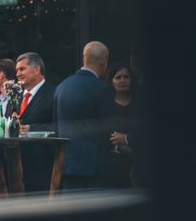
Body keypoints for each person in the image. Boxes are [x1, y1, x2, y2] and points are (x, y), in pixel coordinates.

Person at [53, 41, 117, 190]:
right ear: (103, 62)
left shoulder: (61, 87)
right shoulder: (102, 89)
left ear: (84, 59)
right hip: (95, 165)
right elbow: (110, 127)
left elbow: (56, 125)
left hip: (67, 163)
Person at [14, 52, 56, 192]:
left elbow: (59, 127)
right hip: (16, 169)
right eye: (17, 70)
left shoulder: (53, 94)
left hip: (43, 169)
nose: (18, 74)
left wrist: (32, 129)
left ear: (37, 69)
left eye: (22, 69)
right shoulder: (16, 96)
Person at [106, 62, 137, 187]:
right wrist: (121, 147)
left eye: (126, 77)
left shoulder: (139, 102)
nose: (123, 80)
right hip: (113, 163)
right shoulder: (106, 104)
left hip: (138, 161)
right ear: (111, 81)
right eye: (118, 77)